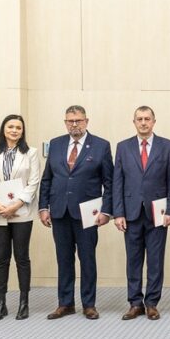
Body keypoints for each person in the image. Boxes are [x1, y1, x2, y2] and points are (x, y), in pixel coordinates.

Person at [39, 105, 113, 320]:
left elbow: (109, 182)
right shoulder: (56, 144)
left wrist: (106, 211)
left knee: (87, 259)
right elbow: (47, 179)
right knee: (63, 259)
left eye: (78, 120)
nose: (74, 124)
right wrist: (44, 207)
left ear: (86, 121)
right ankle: (65, 303)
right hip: (60, 211)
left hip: (88, 213)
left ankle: (89, 304)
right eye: (70, 121)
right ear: (65, 123)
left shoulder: (101, 146)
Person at [113, 106, 170, 321]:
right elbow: (118, 183)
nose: (143, 122)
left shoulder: (167, 146)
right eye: (139, 119)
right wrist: (118, 213)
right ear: (134, 122)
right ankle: (134, 303)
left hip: (157, 214)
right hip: (131, 213)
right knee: (133, 260)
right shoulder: (123, 147)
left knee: (155, 260)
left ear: (154, 121)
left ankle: (151, 303)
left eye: (147, 119)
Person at [0, 114, 41, 320]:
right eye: (10, 127)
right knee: (2, 258)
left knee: (22, 258)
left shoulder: (31, 153)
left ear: (22, 131)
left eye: (18, 127)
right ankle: (1, 304)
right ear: (3, 129)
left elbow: (33, 183)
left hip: (22, 211)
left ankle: (24, 303)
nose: (14, 130)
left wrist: (16, 204)